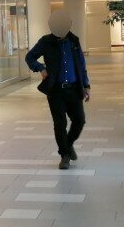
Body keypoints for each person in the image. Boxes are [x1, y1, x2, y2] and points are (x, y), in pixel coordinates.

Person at [25, 10, 91, 170]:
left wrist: (86, 85)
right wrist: (40, 68)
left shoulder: (74, 40)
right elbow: (29, 57)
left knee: (80, 120)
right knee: (60, 123)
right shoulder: (46, 41)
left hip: (74, 89)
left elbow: (81, 64)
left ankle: (68, 144)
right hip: (56, 90)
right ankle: (65, 156)